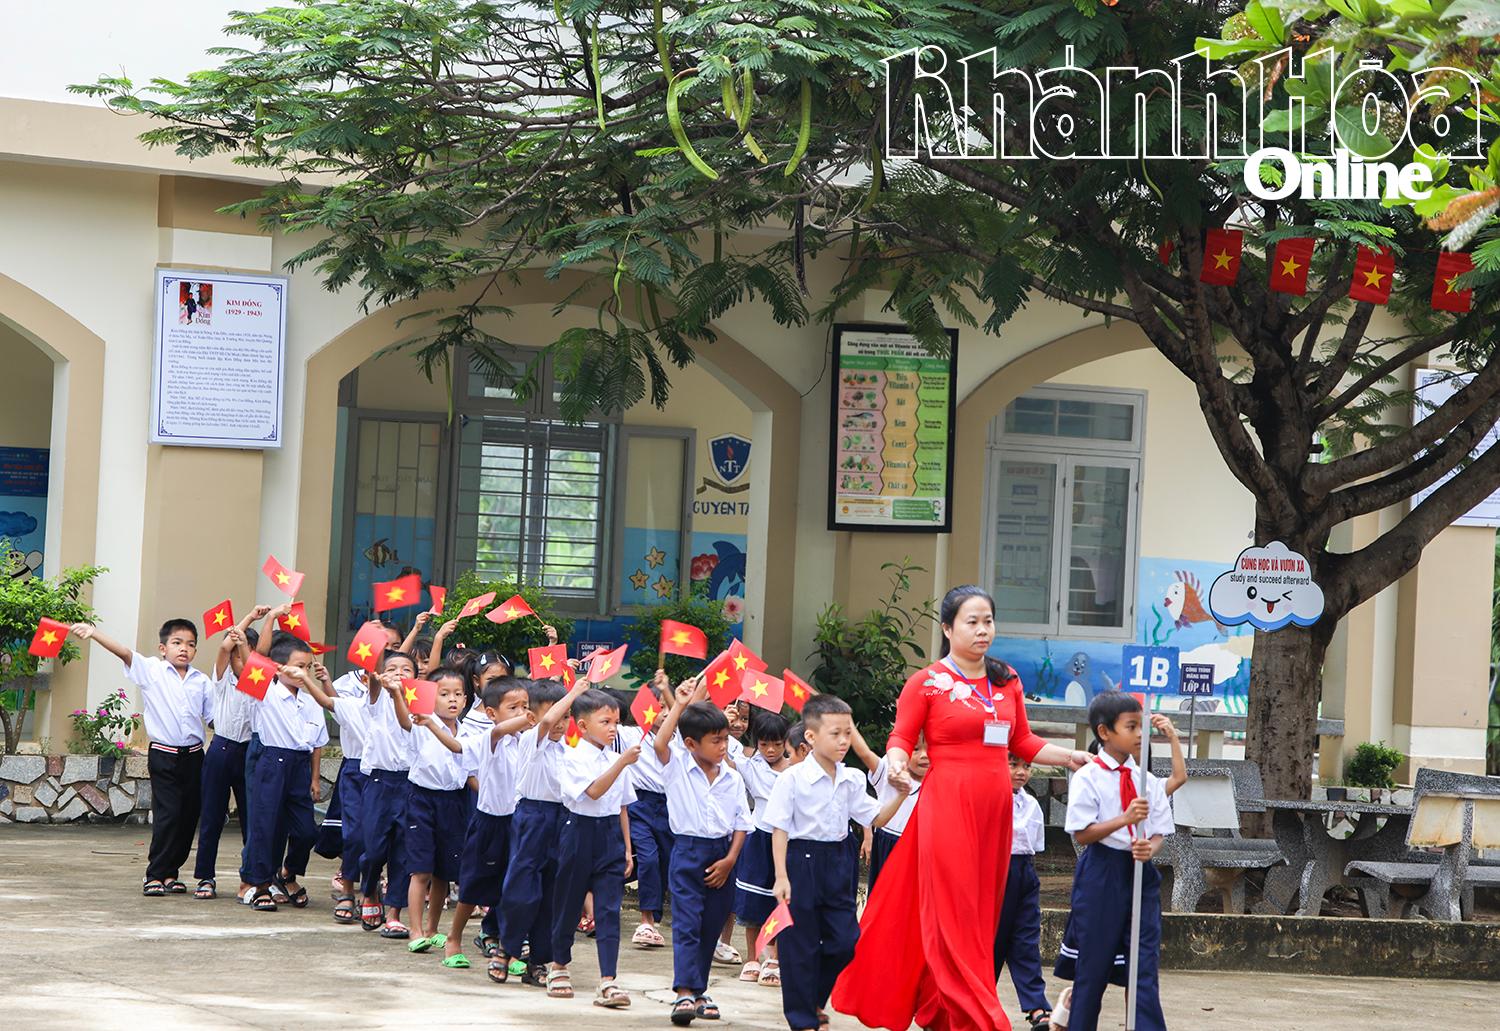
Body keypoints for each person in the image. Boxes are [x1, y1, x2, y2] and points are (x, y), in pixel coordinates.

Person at [831, 584, 1090, 1031]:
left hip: (995, 815)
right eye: (971, 621)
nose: (982, 630)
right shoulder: (927, 682)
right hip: (947, 807)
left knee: (978, 917)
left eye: (988, 620)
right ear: (948, 628)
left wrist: (1069, 756)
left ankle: (939, 1011)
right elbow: (901, 739)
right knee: (953, 915)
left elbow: (1021, 741)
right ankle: (980, 1018)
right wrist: (895, 763)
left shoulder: (1006, 680)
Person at [765, 694, 908, 1031]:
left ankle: (814, 1000)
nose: (844, 741)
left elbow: (875, 818)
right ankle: (802, 1019)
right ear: (811, 737)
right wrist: (781, 876)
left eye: (848, 733)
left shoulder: (852, 779)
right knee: (799, 945)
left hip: (839, 861)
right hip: (801, 860)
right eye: (835, 734)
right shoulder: (793, 779)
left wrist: (900, 794)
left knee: (845, 941)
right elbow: (780, 829)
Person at [1050, 693, 1173, 1031]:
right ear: (1105, 732)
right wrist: (1124, 819)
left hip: (1140, 874)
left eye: (1141, 726)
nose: (1138, 734)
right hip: (1102, 872)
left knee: (1143, 965)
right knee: (1094, 965)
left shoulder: (1145, 779)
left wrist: (1152, 847)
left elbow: (1160, 830)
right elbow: (1083, 834)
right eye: (1130, 726)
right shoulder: (1089, 776)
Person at [70, 617, 213, 897]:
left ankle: (172, 872)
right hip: (164, 755)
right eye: (177, 643)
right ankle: (155, 874)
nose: (184, 649)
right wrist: (95, 633)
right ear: (163, 648)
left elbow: (213, 718)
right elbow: (124, 652)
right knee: (168, 814)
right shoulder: (152, 671)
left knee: (187, 816)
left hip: (195, 757)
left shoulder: (202, 681)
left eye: (191, 644)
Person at [652, 676, 751, 1026]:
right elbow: (661, 743)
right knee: (687, 923)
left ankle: (700, 988)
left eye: (726, 739)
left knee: (711, 925)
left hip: (723, 855)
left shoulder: (733, 778)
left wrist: (730, 860)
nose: (723, 746)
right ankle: (683, 993)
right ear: (692, 743)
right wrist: (679, 703)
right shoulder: (678, 766)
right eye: (716, 741)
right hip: (688, 853)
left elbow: (742, 822)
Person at [436, 675, 535, 974]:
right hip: (489, 823)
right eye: (513, 707)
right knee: (472, 886)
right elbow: (502, 730)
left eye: (525, 707)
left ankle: (509, 947)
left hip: (518, 823)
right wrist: (526, 719)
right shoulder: (491, 739)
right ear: (492, 713)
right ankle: (453, 938)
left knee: (512, 889)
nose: (521, 713)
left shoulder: (526, 742)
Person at [548, 687, 639, 1009]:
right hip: (578, 833)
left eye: (616, 721)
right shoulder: (571, 757)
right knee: (569, 903)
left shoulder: (616, 759)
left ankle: (608, 980)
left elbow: (624, 806)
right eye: (606, 721)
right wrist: (623, 762)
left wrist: (627, 848)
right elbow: (596, 791)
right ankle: (559, 965)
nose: (613, 728)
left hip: (610, 835)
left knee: (608, 910)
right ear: (583, 726)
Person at [496, 674, 585, 987]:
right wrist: (574, 691)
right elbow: (546, 723)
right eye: (557, 715)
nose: (561, 723)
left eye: (567, 717)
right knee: (522, 889)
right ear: (530, 717)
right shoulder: (530, 740)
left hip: (562, 820)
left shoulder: (568, 751)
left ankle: (538, 959)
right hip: (532, 817)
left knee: (552, 895)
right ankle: (506, 947)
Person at [242, 634, 329, 912]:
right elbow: (250, 663)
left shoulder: (311, 699)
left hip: (300, 766)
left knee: (306, 831)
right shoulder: (267, 692)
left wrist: (315, 778)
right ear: (279, 668)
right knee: (264, 826)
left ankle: (287, 872)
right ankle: (260, 886)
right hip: (272, 762)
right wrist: (242, 639)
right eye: (299, 666)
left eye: (307, 667)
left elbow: (317, 742)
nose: (304, 672)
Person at [191, 607, 269, 899]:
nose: (240, 660)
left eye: (244, 654)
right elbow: (225, 647)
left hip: (251, 752)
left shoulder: (260, 683)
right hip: (221, 750)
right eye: (237, 655)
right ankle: (205, 877)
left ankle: (251, 878)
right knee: (211, 816)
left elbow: (254, 654)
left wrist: (249, 643)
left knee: (252, 819)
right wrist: (248, 618)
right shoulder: (222, 681)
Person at [402, 668, 473, 954]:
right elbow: (401, 716)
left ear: (466, 700)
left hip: (455, 801)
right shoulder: (421, 725)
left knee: (445, 870)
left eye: (457, 694)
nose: (452, 700)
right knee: (421, 869)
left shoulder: (469, 732)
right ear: (431, 699)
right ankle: (415, 929)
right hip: (422, 800)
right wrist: (398, 693)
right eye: (444, 694)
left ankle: (432, 928)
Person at [359, 650, 418, 937]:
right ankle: (370, 891)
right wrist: (377, 677)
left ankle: (393, 911)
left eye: (406, 669)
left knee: (402, 851)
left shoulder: (422, 704)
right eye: (392, 668)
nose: (398, 673)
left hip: (410, 783)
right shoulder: (378, 697)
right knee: (373, 849)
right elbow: (373, 681)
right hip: (380, 783)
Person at [615, 672, 675, 951]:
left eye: (667, 707)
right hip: (638, 804)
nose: (662, 713)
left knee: (665, 861)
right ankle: (646, 920)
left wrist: (670, 693)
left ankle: (655, 918)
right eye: (657, 706)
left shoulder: (679, 739)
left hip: (669, 806)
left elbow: (682, 719)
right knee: (648, 858)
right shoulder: (628, 735)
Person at [733, 708, 791, 987]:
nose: (770, 750)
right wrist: (728, 720)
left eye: (777, 744)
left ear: (786, 742)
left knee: (779, 900)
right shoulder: (749, 765)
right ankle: (752, 958)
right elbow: (723, 750)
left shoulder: (796, 770)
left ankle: (775, 959)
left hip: (787, 840)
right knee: (751, 900)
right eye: (764, 744)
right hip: (758, 837)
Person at [995, 753, 1050, 1030]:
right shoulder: (987, 799)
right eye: (1013, 764)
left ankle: (1036, 1005)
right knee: (991, 942)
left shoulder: (1031, 804)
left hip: (1024, 872)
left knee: (1026, 938)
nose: (1021, 772)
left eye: (1026, 766)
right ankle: (981, 1003)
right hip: (994, 871)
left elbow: (1035, 845)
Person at [849, 725, 926, 891]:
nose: (924, 756)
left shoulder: (943, 776)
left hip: (926, 849)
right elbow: (864, 753)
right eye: (916, 749)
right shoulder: (889, 769)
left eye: (931, 748)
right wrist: (846, 722)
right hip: (891, 845)